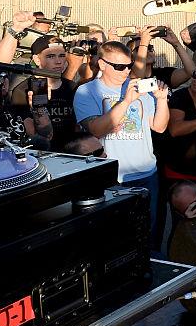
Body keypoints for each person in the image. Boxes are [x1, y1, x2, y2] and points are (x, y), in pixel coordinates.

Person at [72, 41, 169, 234]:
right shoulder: (87, 91)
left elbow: (159, 127)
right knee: (115, 234)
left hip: (147, 173)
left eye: (129, 66)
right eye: (119, 66)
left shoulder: (138, 87)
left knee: (146, 232)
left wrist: (161, 100)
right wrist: (125, 101)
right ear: (102, 64)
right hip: (111, 178)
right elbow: (96, 129)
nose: (126, 71)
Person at [8, 36, 78, 151]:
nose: (58, 61)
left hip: (71, 152)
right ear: (37, 59)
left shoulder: (72, 87)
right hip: (40, 152)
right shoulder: (23, 90)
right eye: (51, 56)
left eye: (62, 56)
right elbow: (32, 134)